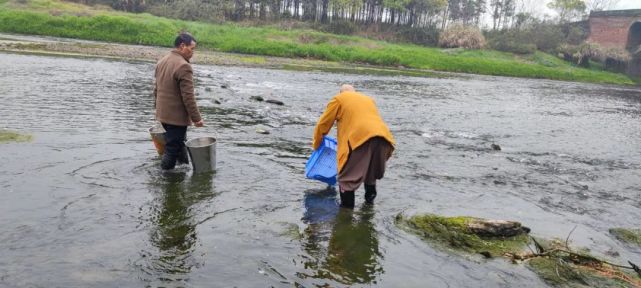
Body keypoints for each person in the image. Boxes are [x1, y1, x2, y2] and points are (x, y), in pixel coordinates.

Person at [312, 85, 395, 208]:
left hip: (360, 138)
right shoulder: (368, 99)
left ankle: (346, 216)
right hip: (384, 138)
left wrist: (316, 144)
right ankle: (369, 207)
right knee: (370, 173)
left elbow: (323, 123)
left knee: (346, 179)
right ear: (354, 92)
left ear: (341, 92)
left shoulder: (339, 98)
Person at [153, 32, 204, 170]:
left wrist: (156, 109)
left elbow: (156, 89)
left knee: (179, 143)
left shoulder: (162, 61)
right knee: (172, 149)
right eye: (192, 49)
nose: (193, 53)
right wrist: (197, 119)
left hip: (163, 115)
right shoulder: (183, 66)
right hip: (176, 118)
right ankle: (165, 178)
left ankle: (183, 168)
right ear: (182, 46)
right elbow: (188, 96)